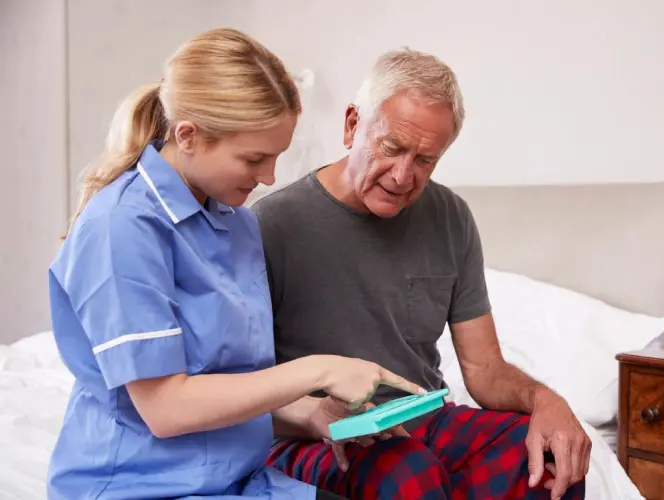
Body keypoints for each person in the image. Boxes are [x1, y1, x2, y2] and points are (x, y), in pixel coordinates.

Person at [46, 28, 424, 500]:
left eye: (277, 158)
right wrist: (322, 370)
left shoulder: (238, 224)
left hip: (239, 480)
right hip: (139, 487)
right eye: (254, 159)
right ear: (188, 135)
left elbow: (226, 381)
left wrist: (310, 414)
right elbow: (167, 409)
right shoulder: (121, 228)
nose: (268, 178)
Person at [252, 48, 591, 500]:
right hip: (316, 435)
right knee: (407, 472)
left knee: (545, 458)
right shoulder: (271, 224)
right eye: (391, 148)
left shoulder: (451, 217)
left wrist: (546, 401)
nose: (402, 175)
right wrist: (312, 413)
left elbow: (485, 368)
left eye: (425, 160)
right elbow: (243, 385)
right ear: (353, 125)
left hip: (423, 422)